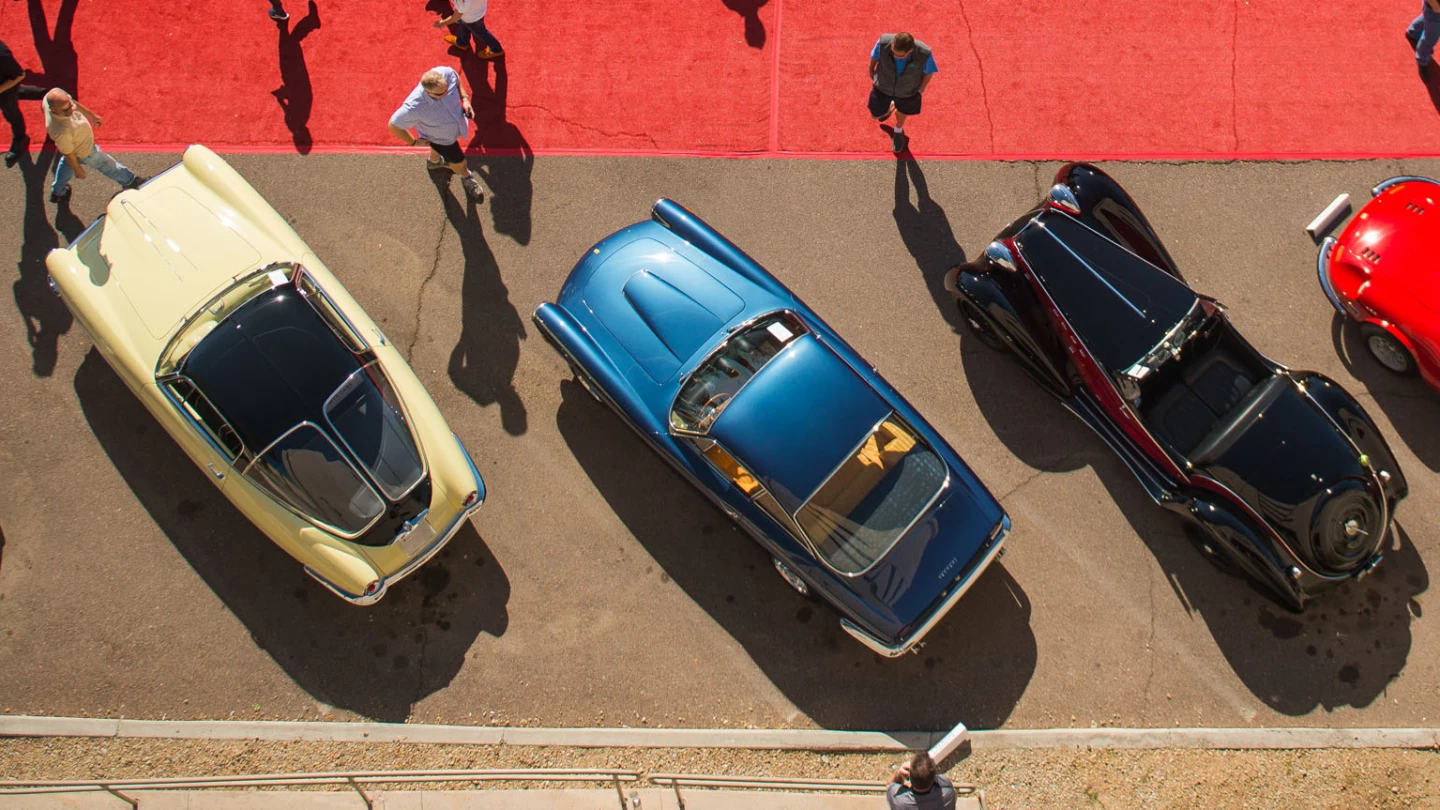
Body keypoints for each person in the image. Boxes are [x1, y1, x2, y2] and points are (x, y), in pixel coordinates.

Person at [389, 67, 484, 201]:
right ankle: (466, 176)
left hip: (453, 129)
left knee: (436, 149)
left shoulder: (445, 73)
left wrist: (465, 99)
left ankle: (434, 162)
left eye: (447, 89)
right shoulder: (414, 107)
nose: (447, 94)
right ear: (427, 92)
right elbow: (394, 125)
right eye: (441, 94)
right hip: (442, 139)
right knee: (460, 161)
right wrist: (414, 142)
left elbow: (456, 78)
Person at [44, 88, 143, 203]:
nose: (71, 110)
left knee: (66, 164)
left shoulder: (55, 99)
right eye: (65, 110)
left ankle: (58, 191)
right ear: (53, 109)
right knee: (108, 165)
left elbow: (74, 103)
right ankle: (130, 181)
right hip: (85, 151)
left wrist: (92, 116)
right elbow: (68, 153)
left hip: (74, 146)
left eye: (69, 106)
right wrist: (78, 169)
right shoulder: (61, 131)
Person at [868, 32, 936, 154]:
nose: (895, 56)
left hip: (907, 91)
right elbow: (874, 57)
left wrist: (921, 89)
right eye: (893, 53)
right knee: (875, 115)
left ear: (911, 50)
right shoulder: (883, 42)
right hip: (883, 86)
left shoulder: (924, 53)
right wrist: (871, 70)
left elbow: (928, 73)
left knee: (903, 112)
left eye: (900, 56)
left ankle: (898, 130)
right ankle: (890, 108)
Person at [0, 37, 43, 168]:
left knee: (12, 114)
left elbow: (19, 75)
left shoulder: (2, 56)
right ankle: (47, 93)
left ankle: (20, 138)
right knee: (20, 92)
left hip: (4, 93)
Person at [433, 0, 503, 60]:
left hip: (472, 18)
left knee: (481, 33)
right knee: (464, 25)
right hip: (476, 11)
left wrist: (441, 23)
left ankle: (496, 49)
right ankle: (462, 42)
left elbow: (456, 16)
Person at [886, 752, 957, 810]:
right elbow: (940, 780)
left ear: (910, 777)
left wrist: (899, 774)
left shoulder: (898, 800)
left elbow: (889, 786)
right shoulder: (947, 790)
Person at [1407, 0, 1440, 79]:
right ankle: (1422, 60)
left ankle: (1413, 31)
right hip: (1435, 9)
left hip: (1433, 10)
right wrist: (1437, 8)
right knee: (1430, 38)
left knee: (1428, 18)